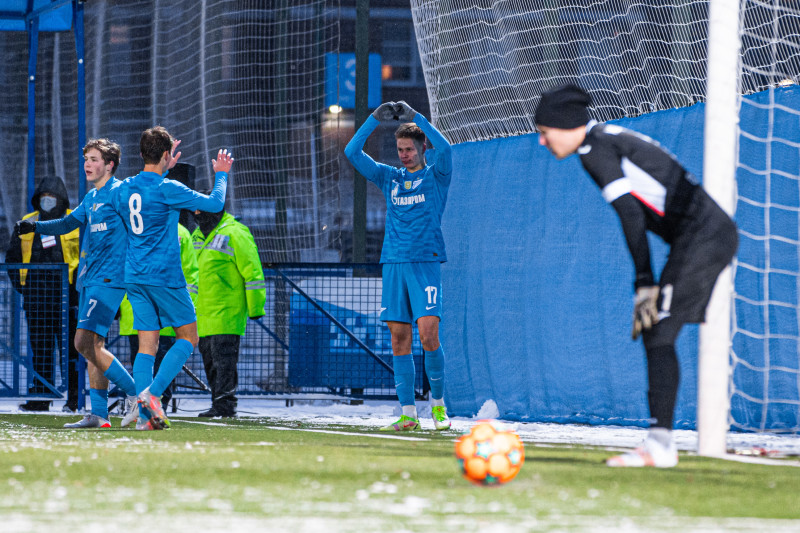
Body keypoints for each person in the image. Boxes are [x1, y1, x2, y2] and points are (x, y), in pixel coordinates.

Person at [534, 84, 739, 467]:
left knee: (658, 328)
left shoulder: (595, 150)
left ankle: (660, 447)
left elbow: (630, 214)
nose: (543, 141)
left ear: (565, 125)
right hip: (698, 237)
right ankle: (661, 440)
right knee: (654, 331)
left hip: (704, 235)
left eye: (545, 132)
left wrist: (644, 280)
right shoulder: (602, 140)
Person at [110, 126, 232, 430]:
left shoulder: (124, 188)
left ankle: (143, 414)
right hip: (163, 276)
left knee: (146, 346)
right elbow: (215, 203)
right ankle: (151, 397)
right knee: (188, 337)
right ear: (167, 155)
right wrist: (221, 173)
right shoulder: (168, 189)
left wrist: (164, 168)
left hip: (134, 277)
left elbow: (127, 208)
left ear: (140, 155)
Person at [15, 139, 141, 428]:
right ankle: (99, 413)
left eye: (94, 159)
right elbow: (66, 224)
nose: (88, 164)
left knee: (82, 342)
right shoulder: (91, 198)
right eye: (86, 158)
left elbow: (138, 224)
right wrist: (36, 226)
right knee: (93, 346)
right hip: (90, 279)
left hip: (109, 279)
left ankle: (137, 394)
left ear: (109, 165)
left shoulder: (120, 192)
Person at [344, 101, 452, 432]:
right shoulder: (390, 177)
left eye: (409, 149)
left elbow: (445, 148)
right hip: (393, 264)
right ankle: (408, 413)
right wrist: (374, 119)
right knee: (399, 338)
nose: (403, 154)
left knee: (428, 332)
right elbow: (352, 152)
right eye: (400, 149)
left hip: (425, 263)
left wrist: (415, 116)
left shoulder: (437, 175)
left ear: (422, 150)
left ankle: (438, 406)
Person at [6, 176, 81, 412]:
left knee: (71, 350)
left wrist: (78, 289)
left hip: (68, 298)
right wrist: (23, 287)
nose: (48, 200)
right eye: (44, 196)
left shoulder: (75, 220)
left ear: (62, 199)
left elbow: (85, 256)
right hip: (37, 298)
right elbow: (12, 259)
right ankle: (40, 397)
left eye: (53, 196)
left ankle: (74, 398)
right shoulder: (26, 223)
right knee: (40, 349)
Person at [191, 201, 266, 417]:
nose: (197, 214)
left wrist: (255, 307)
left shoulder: (235, 233)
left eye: (199, 209)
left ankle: (225, 404)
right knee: (210, 360)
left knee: (223, 360)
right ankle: (219, 401)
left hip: (227, 311)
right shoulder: (197, 235)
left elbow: (253, 272)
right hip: (203, 313)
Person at [118, 221, 199, 413]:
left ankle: (143, 406)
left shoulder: (130, 228)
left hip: (136, 308)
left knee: (143, 355)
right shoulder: (179, 232)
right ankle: (152, 403)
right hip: (168, 311)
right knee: (163, 359)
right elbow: (190, 275)